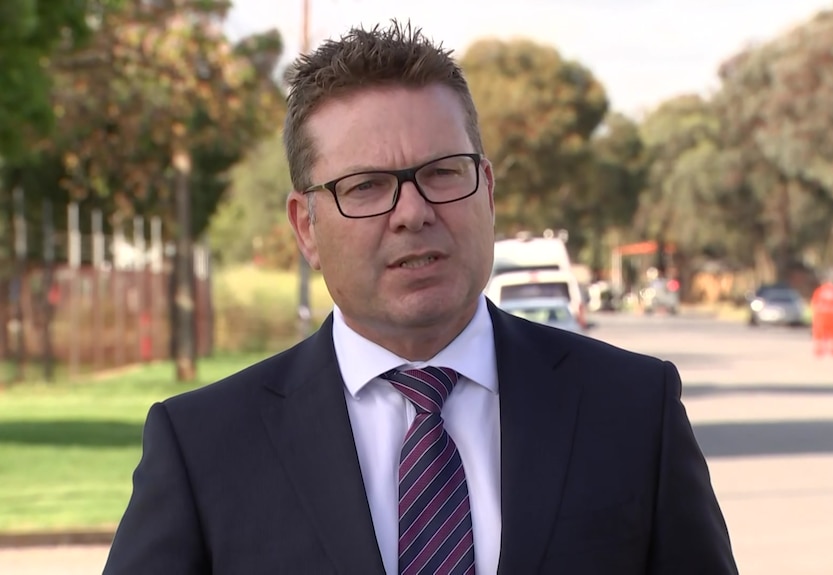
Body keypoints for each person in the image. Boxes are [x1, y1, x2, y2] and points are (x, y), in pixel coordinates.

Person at [103, 21, 737, 574]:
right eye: (368, 186)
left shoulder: (631, 410)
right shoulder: (205, 445)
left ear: (487, 190)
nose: (413, 212)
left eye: (441, 173)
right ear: (306, 227)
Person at [811, 275, 833, 357]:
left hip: (822, 315)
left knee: (820, 333)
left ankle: (820, 350)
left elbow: (814, 302)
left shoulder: (820, 290)